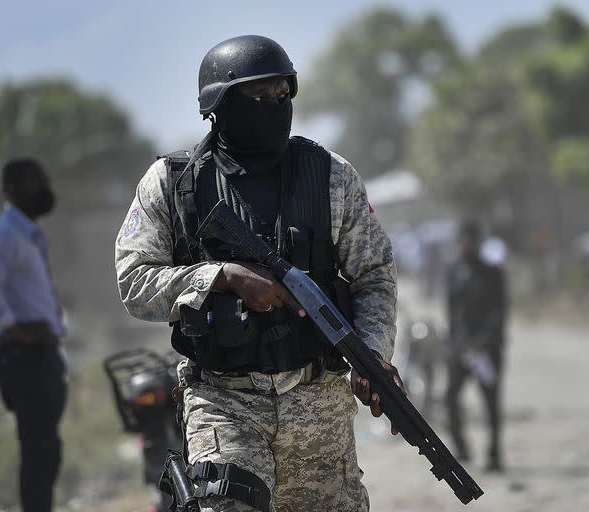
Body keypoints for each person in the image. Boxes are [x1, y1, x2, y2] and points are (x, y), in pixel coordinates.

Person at [115, 35, 401, 512]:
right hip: (224, 404)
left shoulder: (331, 176)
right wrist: (220, 277)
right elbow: (135, 281)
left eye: (282, 95)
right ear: (220, 105)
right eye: (259, 96)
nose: (275, 105)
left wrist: (372, 354)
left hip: (318, 403)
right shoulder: (173, 183)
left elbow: (374, 276)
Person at [0, 158, 67, 512]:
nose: (44, 189)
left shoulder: (27, 233)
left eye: (44, 180)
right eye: (34, 183)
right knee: (39, 453)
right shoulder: (6, 235)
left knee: (46, 452)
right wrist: (17, 330)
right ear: (11, 190)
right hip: (24, 357)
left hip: (39, 357)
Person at [445, 220, 508, 472]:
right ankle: (460, 446)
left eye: (472, 239)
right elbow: (452, 312)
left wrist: (484, 342)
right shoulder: (454, 272)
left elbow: (499, 313)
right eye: (464, 239)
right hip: (460, 348)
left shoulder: (493, 274)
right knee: (451, 397)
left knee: (491, 401)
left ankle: (494, 452)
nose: (468, 244)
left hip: (487, 349)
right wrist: (456, 343)